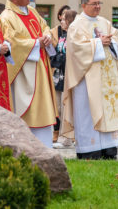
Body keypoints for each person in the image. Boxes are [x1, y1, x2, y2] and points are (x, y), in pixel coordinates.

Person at [60, 0, 118, 160]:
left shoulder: (105, 23)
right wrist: (98, 43)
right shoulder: (77, 25)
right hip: (86, 80)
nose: (98, 7)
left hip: (107, 79)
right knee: (88, 114)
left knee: (107, 111)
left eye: (99, 3)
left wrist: (111, 41)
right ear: (84, 6)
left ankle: (109, 149)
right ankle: (90, 150)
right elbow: (75, 49)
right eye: (94, 4)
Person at [0, 0, 59, 148]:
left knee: (43, 107)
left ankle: (45, 145)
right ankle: (28, 147)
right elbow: (12, 42)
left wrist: (47, 36)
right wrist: (35, 43)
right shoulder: (7, 17)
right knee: (28, 109)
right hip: (24, 72)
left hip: (41, 67)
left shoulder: (32, 11)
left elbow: (44, 26)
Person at [51, 9, 77, 148]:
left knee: (68, 107)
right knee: (59, 107)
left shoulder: (74, 36)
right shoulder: (61, 36)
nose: (61, 21)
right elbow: (56, 52)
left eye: (65, 19)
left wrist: (61, 58)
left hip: (68, 75)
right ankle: (63, 135)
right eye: (61, 19)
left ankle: (67, 137)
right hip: (58, 75)